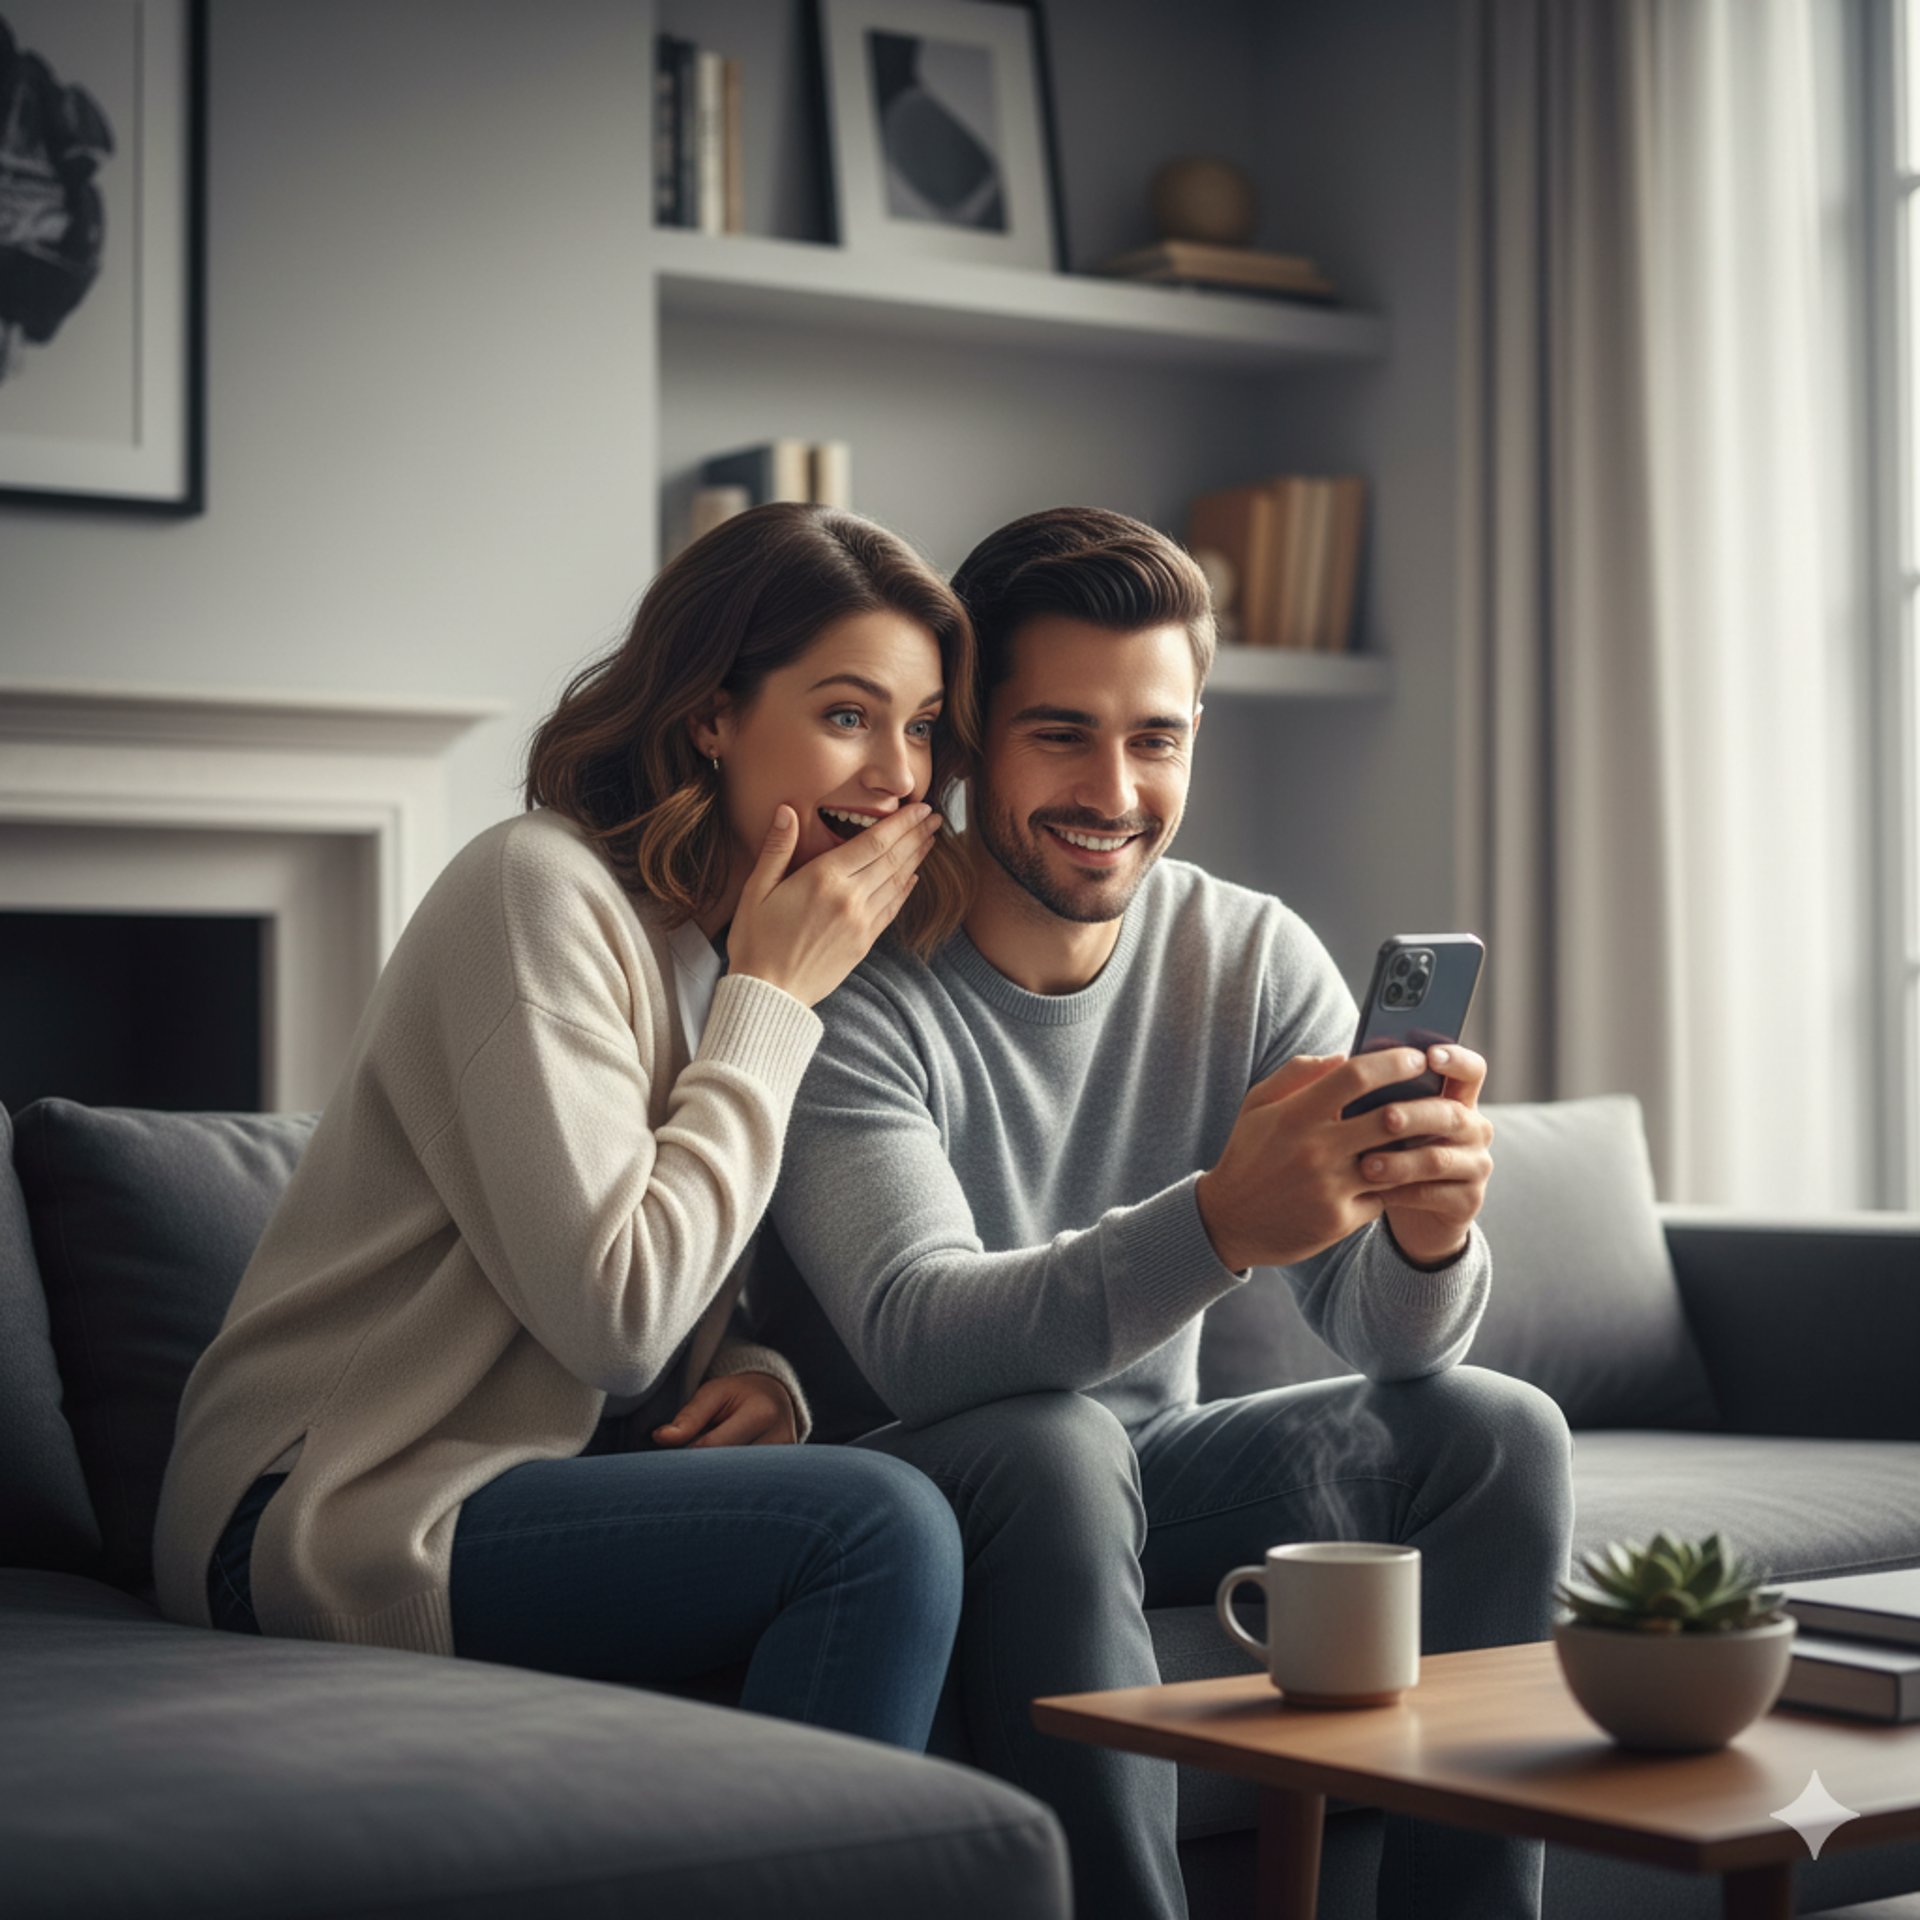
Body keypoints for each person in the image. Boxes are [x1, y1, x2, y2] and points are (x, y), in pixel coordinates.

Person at [747, 505, 1576, 1912]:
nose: (1114, 789)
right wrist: (1221, 1224)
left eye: (1156, 738)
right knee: (1057, 1441)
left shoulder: (1247, 954)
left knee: (1498, 1433)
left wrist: (1430, 1235)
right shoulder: (854, 978)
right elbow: (919, 1339)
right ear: (968, 740)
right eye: (1061, 733)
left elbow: (1391, 1343)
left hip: (1147, 1465)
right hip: (919, 1478)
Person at [151, 503, 981, 1751]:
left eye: (918, 728)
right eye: (848, 716)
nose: (899, 777)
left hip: (531, 1481)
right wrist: (771, 1004)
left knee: (947, 1501)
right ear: (711, 715)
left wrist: (756, 1376)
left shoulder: (726, 950)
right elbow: (618, 1321)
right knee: (877, 1526)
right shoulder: (535, 889)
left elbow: (650, 1277)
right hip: (318, 1510)